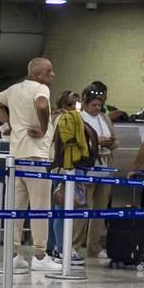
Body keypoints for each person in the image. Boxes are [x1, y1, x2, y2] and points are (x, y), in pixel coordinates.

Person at [0, 57, 60, 272]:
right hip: (36, 157)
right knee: (40, 207)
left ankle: (13, 254)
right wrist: (44, 127)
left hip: (15, 157)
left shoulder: (14, 89)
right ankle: (40, 256)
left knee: (15, 208)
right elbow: (42, 104)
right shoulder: (41, 89)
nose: (53, 74)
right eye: (49, 71)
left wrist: (8, 123)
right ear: (37, 74)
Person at [47, 90, 91, 265]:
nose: (76, 107)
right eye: (74, 104)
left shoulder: (52, 117)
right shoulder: (69, 118)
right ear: (67, 105)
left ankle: (51, 247)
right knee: (63, 211)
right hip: (67, 167)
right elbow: (72, 143)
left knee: (54, 209)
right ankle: (62, 249)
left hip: (53, 167)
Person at [82, 85, 118, 258]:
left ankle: (94, 246)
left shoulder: (105, 118)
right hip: (87, 165)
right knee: (82, 206)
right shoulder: (79, 118)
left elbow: (116, 141)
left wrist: (111, 143)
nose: (97, 108)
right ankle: (74, 245)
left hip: (104, 164)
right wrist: (96, 143)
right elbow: (77, 142)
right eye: (94, 105)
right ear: (85, 104)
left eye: (99, 105)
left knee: (100, 208)